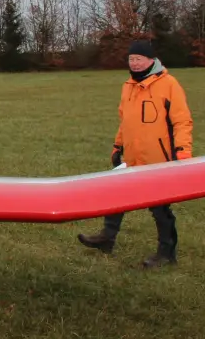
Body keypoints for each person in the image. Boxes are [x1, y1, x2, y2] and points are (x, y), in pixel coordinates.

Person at [77, 39, 193, 268]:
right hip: (132, 157)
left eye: (139, 59)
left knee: (159, 208)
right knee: (117, 196)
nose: (135, 63)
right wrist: (117, 147)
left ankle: (167, 253)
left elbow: (182, 121)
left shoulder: (169, 84)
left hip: (159, 159)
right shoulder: (128, 86)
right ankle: (106, 239)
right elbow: (126, 121)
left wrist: (183, 152)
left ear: (151, 60)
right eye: (131, 59)